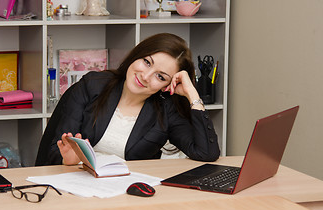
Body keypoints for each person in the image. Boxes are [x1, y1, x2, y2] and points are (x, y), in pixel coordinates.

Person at [37, 33, 220, 166]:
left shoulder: (166, 109)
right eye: (147, 62)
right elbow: (53, 149)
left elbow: (206, 153)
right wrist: (67, 160)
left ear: (167, 86)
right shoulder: (92, 86)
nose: (146, 76)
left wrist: (192, 94)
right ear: (138, 54)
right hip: (76, 185)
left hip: (129, 194)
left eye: (160, 76)